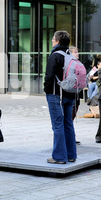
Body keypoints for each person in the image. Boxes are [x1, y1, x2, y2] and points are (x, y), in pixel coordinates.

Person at [43, 30, 77, 164]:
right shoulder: (71, 55)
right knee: (68, 123)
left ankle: (59, 157)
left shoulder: (55, 56)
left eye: (53, 39)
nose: (52, 41)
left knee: (57, 124)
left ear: (57, 41)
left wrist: (46, 89)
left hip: (57, 94)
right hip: (70, 94)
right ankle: (71, 155)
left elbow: (49, 76)